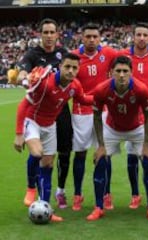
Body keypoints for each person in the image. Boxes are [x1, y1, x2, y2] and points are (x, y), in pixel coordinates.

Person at [14, 53, 93, 222]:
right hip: (32, 121)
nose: (70, 71)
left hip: (50, 126)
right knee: (36, 153)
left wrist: (102, 97)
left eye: (74, 68)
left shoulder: (75, 86)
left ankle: (46, 207)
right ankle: (30, 189)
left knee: (48, 164)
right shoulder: (45, 82)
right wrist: (19, 134)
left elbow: (84, 99)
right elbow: (24, 104)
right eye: (67, 67)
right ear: (60, 67)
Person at [87, 56, 148, 221]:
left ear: (131, 73)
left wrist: (147, 144)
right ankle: (98, 207)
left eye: (125, 71)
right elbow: (97, 116)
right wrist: (101, 145)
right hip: (112, 129)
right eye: (118, 71)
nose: (121, 75)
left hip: (137, 128)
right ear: (111, 72)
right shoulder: (101, 89)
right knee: (100, 160)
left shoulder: (141, 89)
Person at [56, 23, 118, 211]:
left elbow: (125, 66)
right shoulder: (74, 56)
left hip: (104, 110)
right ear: (82, 38)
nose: (91, 40)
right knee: (80, 153)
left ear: (100, 38)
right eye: (88, 36)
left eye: (95, 37)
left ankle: (106, 194)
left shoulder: (109, 54)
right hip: (81, 111)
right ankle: (77, 194)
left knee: (104, 153)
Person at [15, 18, 70, 207]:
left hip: (60, 111)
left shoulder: (64, 54)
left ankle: (58, 193)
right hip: (37, 111)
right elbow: (22, 71)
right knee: (38, 154)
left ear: (57, 34)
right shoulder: (33, 54)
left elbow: (74, 71)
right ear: (40, 35)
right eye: (45, 32)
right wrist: (23, 77)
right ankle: (33, 189)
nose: (48, 36)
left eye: (51, 32)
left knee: (60, 154)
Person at [118, 22, 148, 210]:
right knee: (132, 155)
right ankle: (135, 194)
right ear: (133, 36)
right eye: (138, 34)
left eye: (145, 35)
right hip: (133, 112)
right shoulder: (123, 56)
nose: (141, 38)